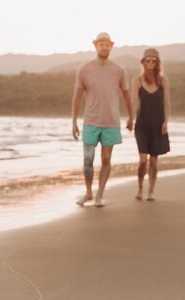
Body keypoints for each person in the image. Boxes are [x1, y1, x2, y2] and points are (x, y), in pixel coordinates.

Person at [72, 32, 133, 207]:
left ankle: (99, 195)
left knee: (106, 160)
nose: (104, 47)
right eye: (101, 44)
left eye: (107, 44)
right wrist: (74, 122)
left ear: (111, 47)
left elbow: (126, 96)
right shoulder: (84, 69)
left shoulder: (119, 70)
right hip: (90, 121)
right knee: (87, 160)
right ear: (96, 46)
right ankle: (89, 192)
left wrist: (131, 118)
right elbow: (76, 97)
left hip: (111, 123)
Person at [131, 48, 170, 201]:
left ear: (158, 62)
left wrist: (166, 121)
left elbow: (167, 103)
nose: (151, 63)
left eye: (154, 60)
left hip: (158, 125)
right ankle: (140, 187)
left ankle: (151, 191)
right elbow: (135, 103)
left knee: (153, 161)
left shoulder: (163, 81)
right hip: (141, 125)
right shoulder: (137, 81)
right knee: (142, 160)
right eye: (148, 60)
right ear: (143, 62)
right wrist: (130, 119)